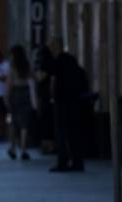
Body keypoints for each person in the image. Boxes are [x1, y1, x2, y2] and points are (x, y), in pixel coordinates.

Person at [47, 37, 87, 172]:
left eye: (51, 45)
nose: (50, 49)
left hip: (61, 101)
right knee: (74, 131)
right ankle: (77, 161)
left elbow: (53, 81)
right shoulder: (71, 59)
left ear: (56, 45)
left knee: (61, 132)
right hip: (74, 100)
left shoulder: (56, 61)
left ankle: (62, 161)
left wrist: (52, 97)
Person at [6, 45, 37, 160]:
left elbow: (9, 84)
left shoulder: (12, 67)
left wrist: (7, 97)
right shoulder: (27, 66)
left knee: (14, 122)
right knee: (25, 123)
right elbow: (33, 79)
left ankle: (13, 148)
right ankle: (24, 149)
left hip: (15, 94)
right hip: (26, 93)